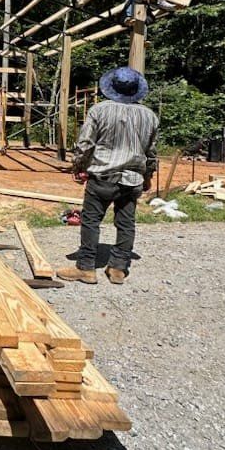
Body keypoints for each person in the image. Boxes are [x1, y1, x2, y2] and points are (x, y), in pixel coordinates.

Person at [57, 66, 158, 285]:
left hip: (103, 176)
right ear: (136, 90)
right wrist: (148, 176)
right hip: (132, 180)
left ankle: (86, 268)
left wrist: (78, 166)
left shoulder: (99, 111)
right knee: (126, 223)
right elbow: (151, 152)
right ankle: (118, 268)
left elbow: (85, 144)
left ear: (111, 87)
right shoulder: (149, 116)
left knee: (91, 221)